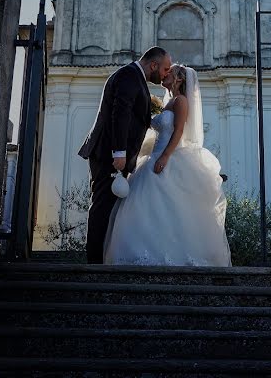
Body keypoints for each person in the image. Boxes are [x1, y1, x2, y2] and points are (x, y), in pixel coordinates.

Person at [103, 63, 232, 266]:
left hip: (168, 157)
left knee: (169, 208)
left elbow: (179, 131)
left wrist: (164, 157)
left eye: (168, 73)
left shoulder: (181, 101)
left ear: (178, 79)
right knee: (147, 207)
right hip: (154, 156)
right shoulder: (169, 102)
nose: (164, 75)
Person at [77, 47, 172, 264]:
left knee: (108, 206)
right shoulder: (129, 75)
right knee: (102, 205)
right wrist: (119, 153)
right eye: (165, 68)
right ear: (153, 65)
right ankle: (94, 263)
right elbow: (120, 114)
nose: (166, 73)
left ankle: (100, 258)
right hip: (108, 154)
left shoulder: (135, 77)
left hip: (114, 154)